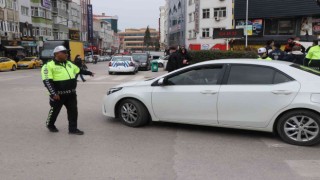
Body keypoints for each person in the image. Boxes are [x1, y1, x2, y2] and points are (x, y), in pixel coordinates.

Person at [41, 46, 94, 135]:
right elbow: (47, 81)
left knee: (73, 111)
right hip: (58, 95)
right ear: (57, 54)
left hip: (71, 94)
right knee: (55, 111)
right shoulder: (48, 66)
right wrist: (53, 93)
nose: (67, 54)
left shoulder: (69, 63)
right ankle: (50, 124)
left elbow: (78, 70)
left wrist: (89, 73)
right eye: (64, 52)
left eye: (67, 52)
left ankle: (73, 129)